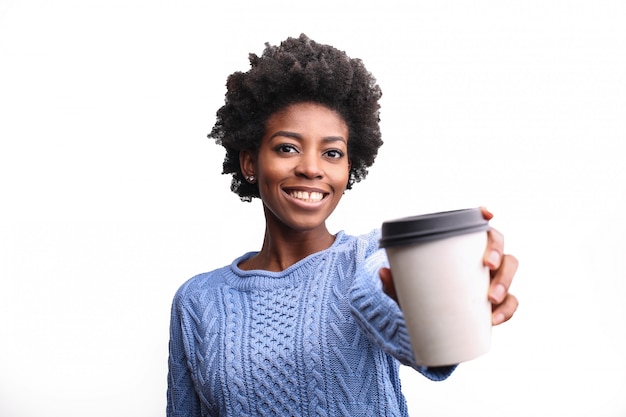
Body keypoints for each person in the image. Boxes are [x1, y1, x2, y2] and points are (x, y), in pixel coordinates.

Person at [166, 33, 519, 417]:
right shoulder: (197, 300)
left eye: (332, 153)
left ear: (349, 168)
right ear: (250, 163)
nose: (312, 168)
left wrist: (449, 284)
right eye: (287, 147)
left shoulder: (369, 258)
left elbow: (419, 337)